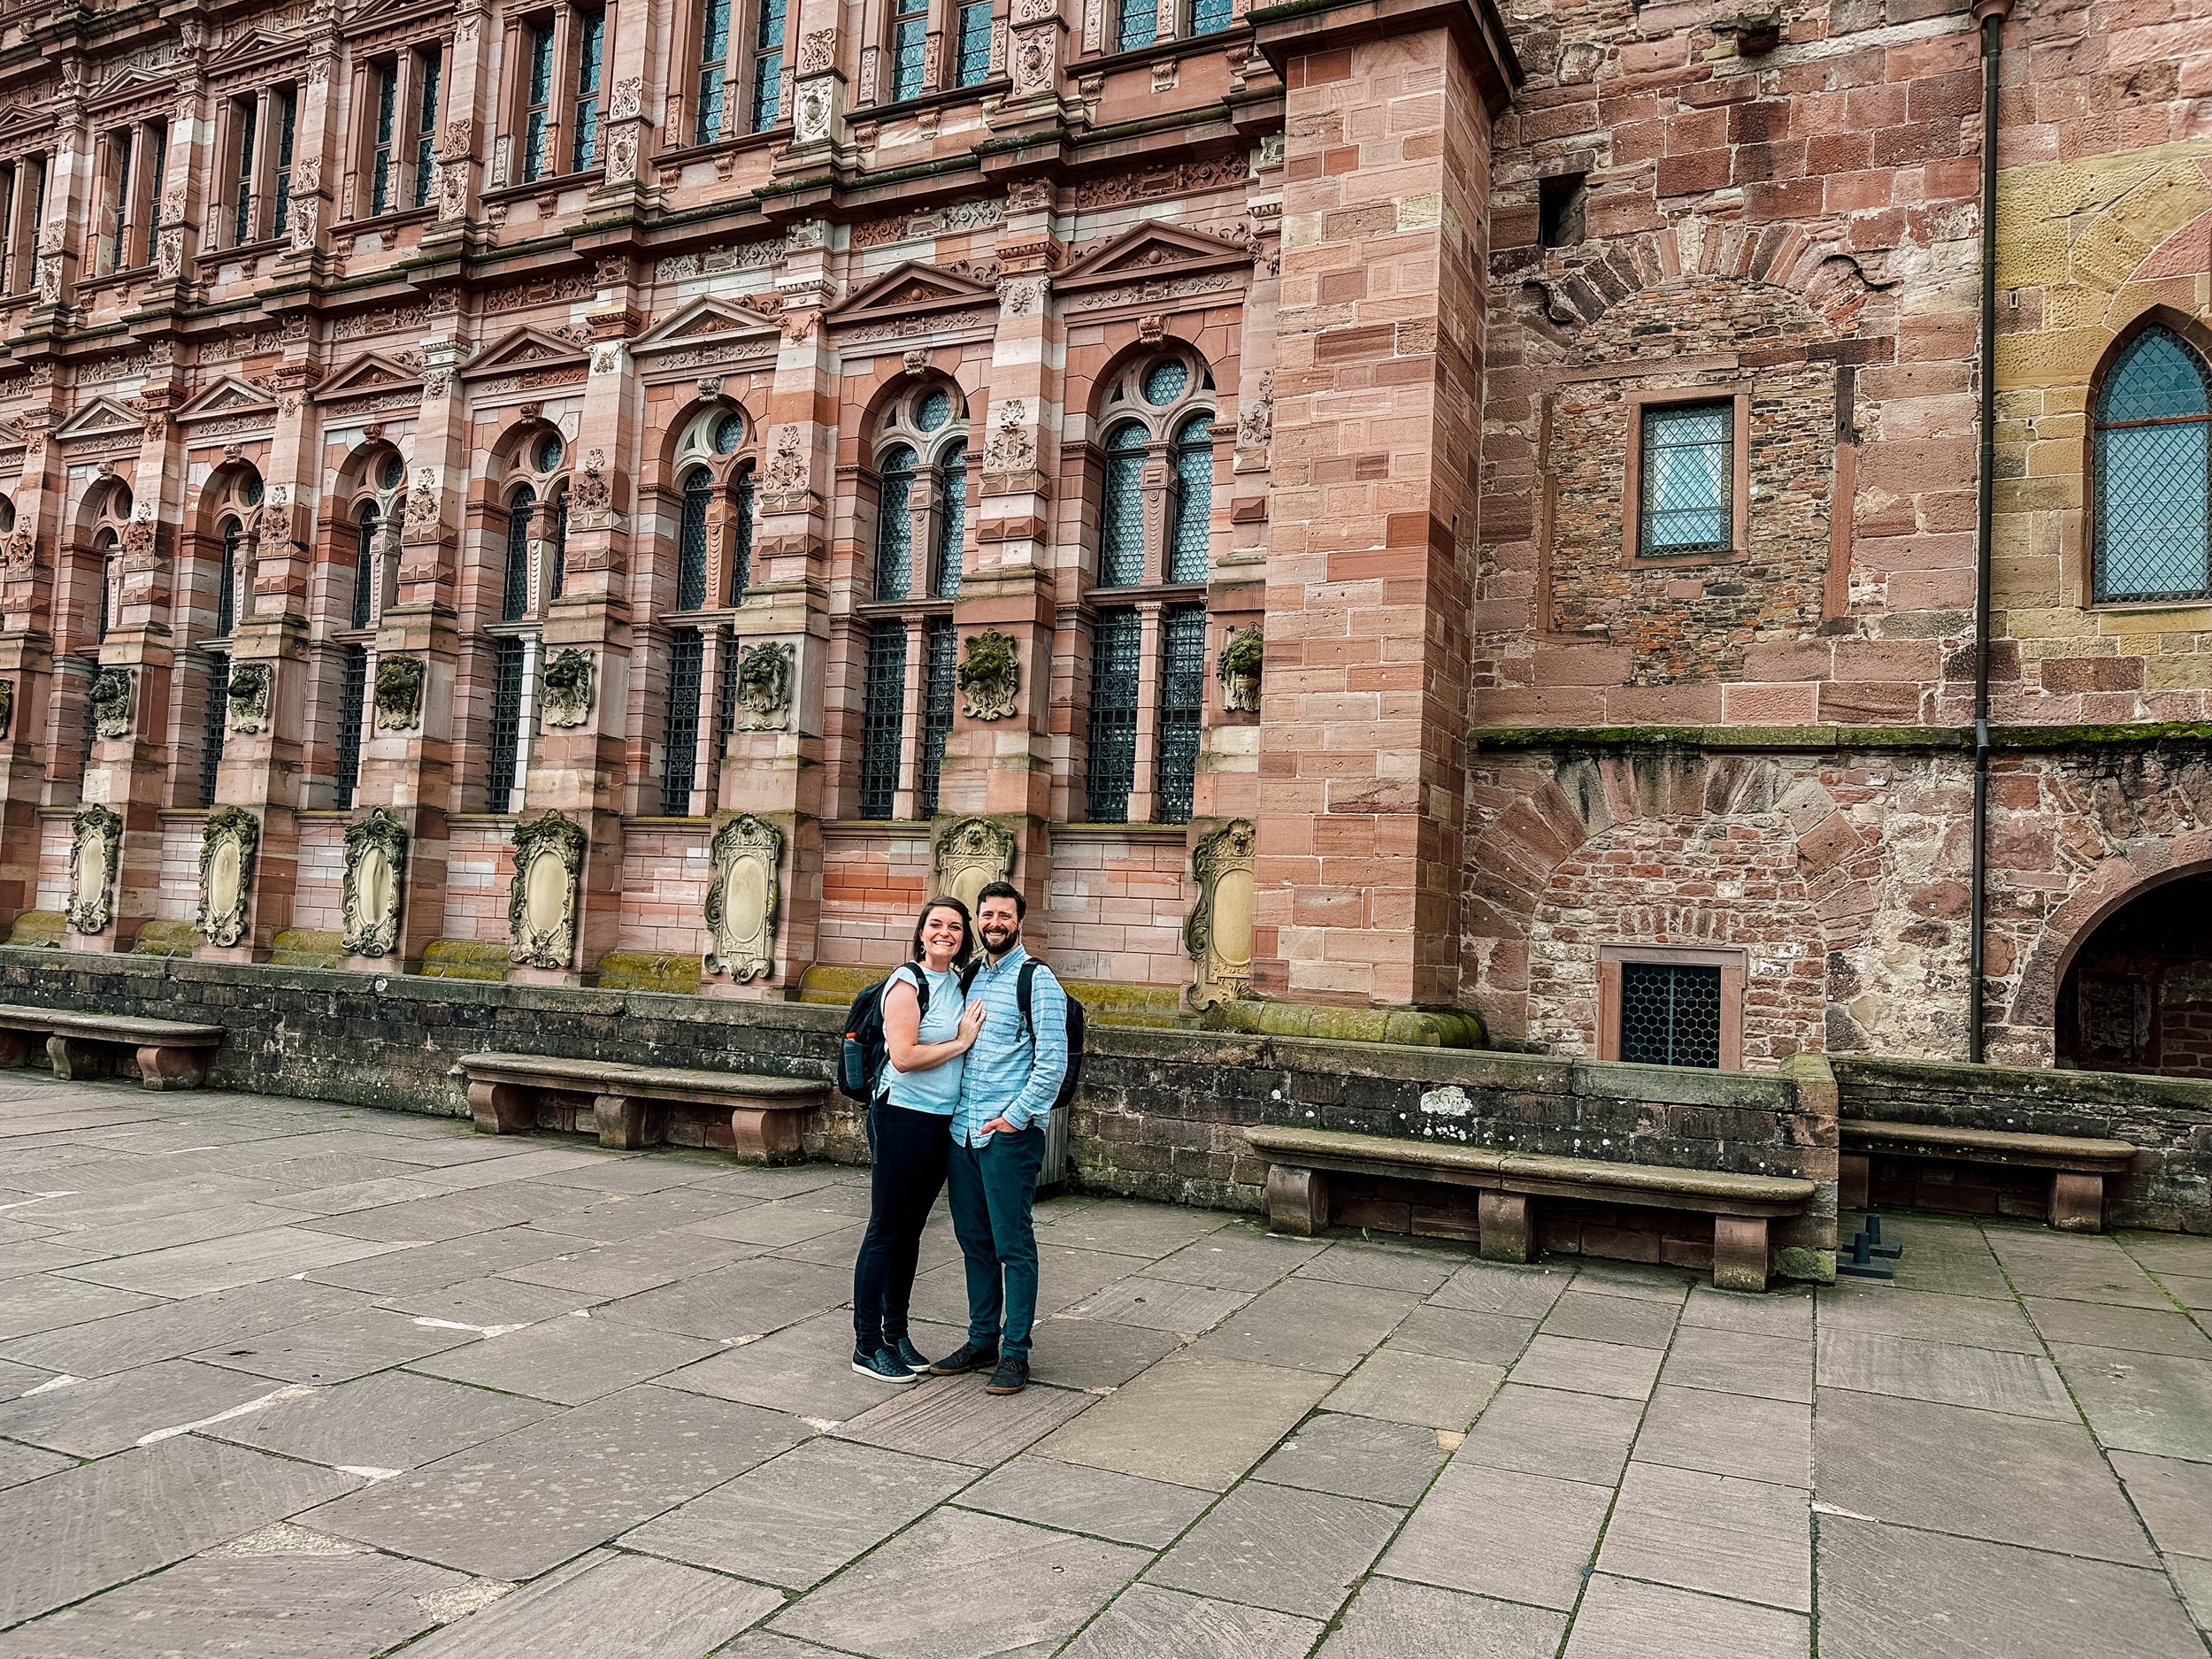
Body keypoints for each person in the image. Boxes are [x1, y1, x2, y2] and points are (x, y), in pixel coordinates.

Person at [929, 879, 1067, 1396]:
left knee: (1013, 1245)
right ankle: (982, 1338)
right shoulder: (969, 978)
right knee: (974, 1242)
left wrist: (1016, 1117)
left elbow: (1052, 1063)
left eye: (1003, 916)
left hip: (1008, 1135)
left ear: (1019, 921)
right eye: (986, 916)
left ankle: (1015, 1353)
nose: (993, 924)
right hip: (963, 1131)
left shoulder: (1038, 981)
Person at [849, 896, 986, 1384]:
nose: (944, 932)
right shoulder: (908, 983)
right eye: (935, 925)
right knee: (886, 1230)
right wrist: (960, 1043)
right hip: (901, 1116)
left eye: (954, 926)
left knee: (910, 1233)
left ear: (963, 936)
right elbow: (903, 1057)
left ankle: (896, 1335)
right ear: (921, 933)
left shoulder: (958, 981)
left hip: (939, 1122)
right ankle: (866, 1345)